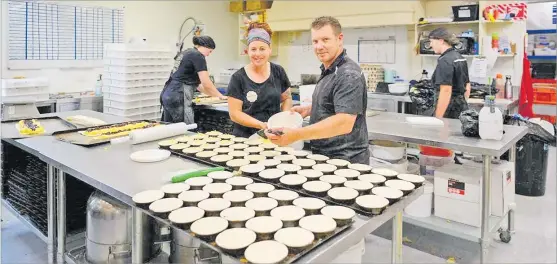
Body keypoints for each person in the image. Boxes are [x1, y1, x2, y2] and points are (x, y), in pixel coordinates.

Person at [266, 16, 369, 164]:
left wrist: (296, 135)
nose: (319, 46)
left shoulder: (347, 74)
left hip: (345, 160)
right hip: (326, 155)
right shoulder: (329, 69)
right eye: (315, 41)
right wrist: (310, 109)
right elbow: (334, 105)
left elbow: (344, 122)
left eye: (325, 39)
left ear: (339, 39)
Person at [226, 22, 293, 138]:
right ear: (248, 51)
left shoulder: (278, 71)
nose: (257, 54)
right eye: (253, 49)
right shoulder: (238, 78)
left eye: (262, 49)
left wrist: (284, 119)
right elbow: (234, 113)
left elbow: (286, 98)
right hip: (245, 138)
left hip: (273, 136)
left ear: (269, 50)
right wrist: (262, 125)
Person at [160, 35, 226, 123]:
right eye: (210, 51)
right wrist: (220, 96)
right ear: (205, 46)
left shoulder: (186, 52)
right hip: (179, 95)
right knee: (183, 128)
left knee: (170, 127)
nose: (209, 54)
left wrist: (213, 95)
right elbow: (206, 82)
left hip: (168, 94)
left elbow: (197, 85)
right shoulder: (198, 56)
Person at [428, 27, 471, 119]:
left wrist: (438, 118)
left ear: (441, 41)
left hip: (448, 111)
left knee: (445, 133)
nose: (430, 45)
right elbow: (467, 86)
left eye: (431, 41)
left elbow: (446, 90)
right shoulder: (460, 57)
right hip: (462, 108)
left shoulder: (445, 60)